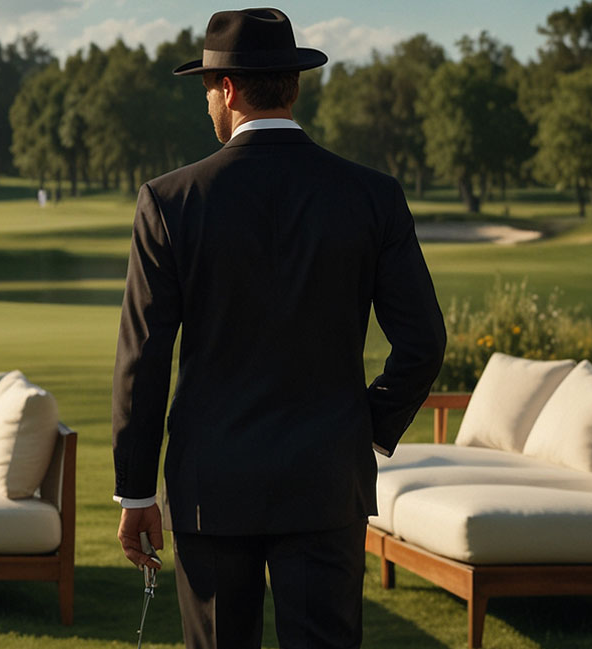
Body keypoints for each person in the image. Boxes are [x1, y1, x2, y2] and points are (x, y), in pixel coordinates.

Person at [111, 8, 446, 649]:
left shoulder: (170, 201)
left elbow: (143, 359)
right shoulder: (372, 195)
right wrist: (368, 431)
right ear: (289, 84)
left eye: (208, 88)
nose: (207, 101)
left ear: (229, 91)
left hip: (211, 485)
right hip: (326, 480)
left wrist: (135, 491)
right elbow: (424, 341)